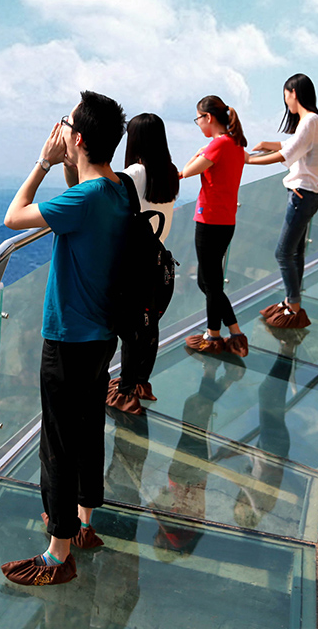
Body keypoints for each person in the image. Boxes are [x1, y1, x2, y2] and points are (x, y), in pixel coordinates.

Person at [0, 90, 130, 587]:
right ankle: (84, 522)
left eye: (66, 125)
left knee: (57, 443)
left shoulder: (85, 198)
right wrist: (71, 162)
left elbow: (14, 216)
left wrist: (42, 162)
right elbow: (81, 196)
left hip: (68, 338)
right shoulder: (117, 191)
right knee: (88, 428)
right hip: (102, 335)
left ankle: (57, 551)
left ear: (75, 139)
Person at [106, 113, 180, 415]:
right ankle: (139, 381)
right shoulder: (170, 171)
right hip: (159, 258)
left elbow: (109, 205)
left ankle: (124, 389)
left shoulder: (133, 173)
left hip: (134, 260)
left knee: (129, 325)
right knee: (149, 323)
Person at [246, 73, 318, 328]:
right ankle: (292, 302)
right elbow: (291, 144)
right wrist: (265, 144)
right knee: (295, 252)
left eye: (285, 96)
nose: (286, 102)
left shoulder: (310, 121)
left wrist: (247, 160)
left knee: (282, 253)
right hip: (309, 194)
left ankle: (293, 307)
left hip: (302, 195)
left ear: (293, 92)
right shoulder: (312, 121)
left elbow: (286, 153)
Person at [180, 96, 249, 356]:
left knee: (210, 283)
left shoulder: (216, 146)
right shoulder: (235, 144)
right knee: (208, 282)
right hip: (226, 221)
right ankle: (235, 331)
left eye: (199, 119)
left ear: (208, 118)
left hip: (209, 221)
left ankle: (213, 335)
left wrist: (198, 152)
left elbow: (187, 171)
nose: (198, 124)